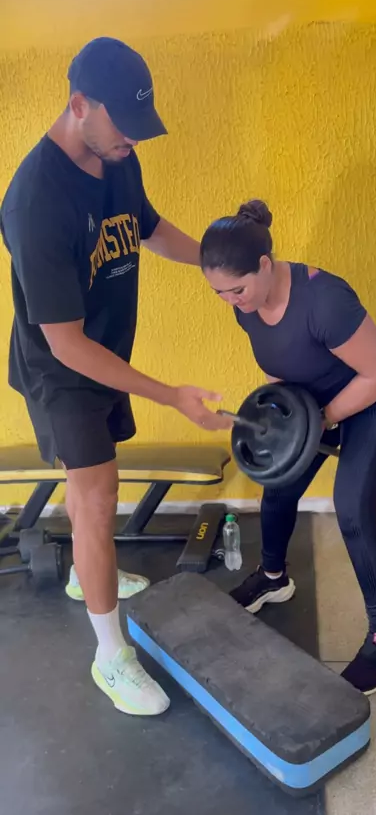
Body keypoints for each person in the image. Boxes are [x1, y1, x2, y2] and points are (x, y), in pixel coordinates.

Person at [0, 37, 229, 717]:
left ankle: (86, 573)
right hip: (62, 368)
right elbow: (65, 343)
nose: (134, 140)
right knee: (97, 496)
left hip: (104, 349)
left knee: (98, 488)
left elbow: (149, 229)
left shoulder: (118, 156)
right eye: (124, 126)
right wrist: (172, 396)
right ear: (79, 105)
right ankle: (110, 656)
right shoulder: (35, 200)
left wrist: (218, 266)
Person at [200, 199, 376, 696]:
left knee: (353, 510)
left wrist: (322, 420)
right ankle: (273, 577)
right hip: (315, 404)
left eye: (237, 289)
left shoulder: (324, 300)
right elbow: (283, 365)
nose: (231, 301)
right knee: (278, 485)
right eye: (219, 293)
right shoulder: (246, 307)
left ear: (265, 265)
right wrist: (282, 420)